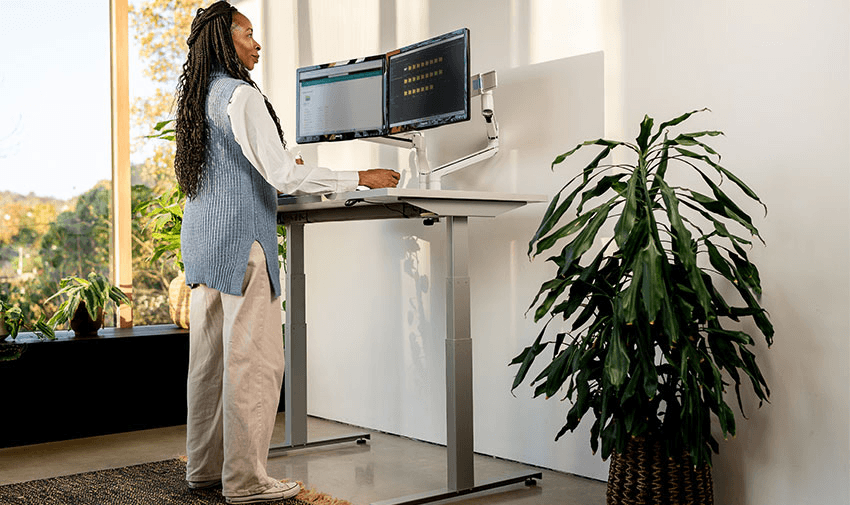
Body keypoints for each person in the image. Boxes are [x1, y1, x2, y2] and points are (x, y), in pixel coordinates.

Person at [174, 2, 399, 503]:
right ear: (224, 39)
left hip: (205, 242)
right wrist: (360, 177)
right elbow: (282, 175)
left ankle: (205, 469)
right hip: (241, 242)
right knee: (253, 361)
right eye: (249, 34)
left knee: (208, 362)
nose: (257, 44)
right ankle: (246, 482)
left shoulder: (198, 98)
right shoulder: (241, 95)